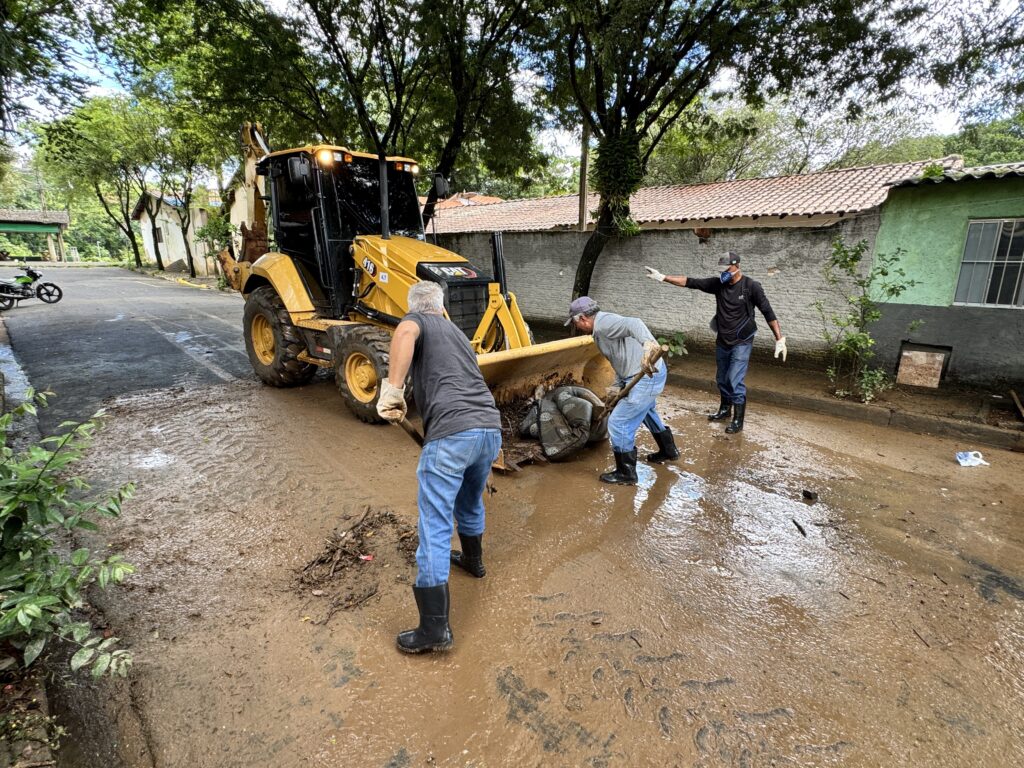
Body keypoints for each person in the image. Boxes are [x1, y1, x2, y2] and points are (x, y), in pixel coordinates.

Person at [376, 281, 502, 654]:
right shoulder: (457, 333)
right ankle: (474, 561)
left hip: (452, 434)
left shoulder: (416, 322)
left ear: (415, 306)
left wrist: (393, 389)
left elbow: (405, 332)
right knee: (469, 501)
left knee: (434, 523)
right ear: (442, 306)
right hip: (488, 430)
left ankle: (434, 630)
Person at [645, 252, 787, 433]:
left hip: (742, 341)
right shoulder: (718, 284)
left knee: (734, 379)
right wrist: (662, 277)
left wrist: (779, 339)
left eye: (727, 268)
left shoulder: (751, 287)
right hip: (723, 339)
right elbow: (690, 282)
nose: (724, 273)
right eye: (722, 269)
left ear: (736, 266)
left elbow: (768, 312)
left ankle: (738, 420)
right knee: (722, 378)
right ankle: (725, 409)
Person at [565, 296, 677, 485]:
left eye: (576, 324)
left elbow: (635, 323)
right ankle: (668, 450)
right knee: (647, 411)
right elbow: (619, 358)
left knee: (619, 422)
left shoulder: (605, 323)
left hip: (646, 375)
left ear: (583, 319)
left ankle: (626, 473)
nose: (577, 328)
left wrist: (649, 344)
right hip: (632, 375)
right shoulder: (599, 331)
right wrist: (617, 387)